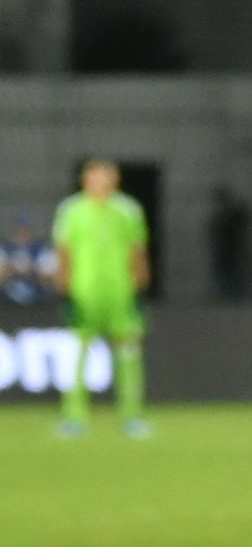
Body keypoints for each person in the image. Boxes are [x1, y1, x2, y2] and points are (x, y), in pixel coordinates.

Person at [50, 159, 150, 439]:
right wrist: (65, 290)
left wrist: (140, 288)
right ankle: (74, 417)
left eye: (107, 177)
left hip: (121, 292)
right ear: (85, 179)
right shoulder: (71, 211)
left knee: (129, 355)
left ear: (115, 180)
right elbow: (64, 254)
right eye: (95, 177)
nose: (101, 182)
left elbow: (137, 251)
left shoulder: (128, 210)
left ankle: (132, 416)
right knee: (77, 356)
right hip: (84, 293)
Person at [206, 182, 252, 301]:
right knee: (226, 274)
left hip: (231, 252)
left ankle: (234, 298)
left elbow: (237, 236)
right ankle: (228, 297)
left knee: (232, 275)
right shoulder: (222, 218)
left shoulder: (231, 219)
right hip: (224, 252)